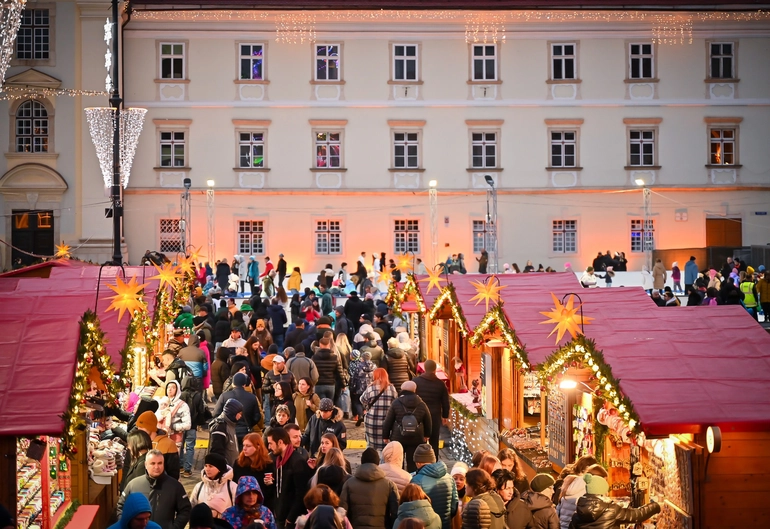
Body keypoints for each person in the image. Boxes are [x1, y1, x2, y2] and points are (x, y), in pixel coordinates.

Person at [117, 450, 192, 529]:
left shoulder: (175, 486)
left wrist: (175, 527)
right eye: (153, 463)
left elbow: (185, 510)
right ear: (145, 465)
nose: (156, 467)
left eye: (160, 463)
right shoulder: (133, 485)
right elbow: (121, 506)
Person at [570, 474, 660, 529]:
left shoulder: (577, 514)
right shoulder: (612, 510)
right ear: (602, 491)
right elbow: (637, 515)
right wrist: (656, 506)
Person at [339, 447, 399, 529]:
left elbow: (342, 512)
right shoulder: (389, 485)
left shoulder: (349, 484)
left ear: (362, 462)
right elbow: (395, 512)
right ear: (377, 463)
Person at [382, 380, 432, 473]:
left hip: (398, 437)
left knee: (397, 461)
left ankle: (399, 479)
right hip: (416, 437)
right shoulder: (421, 403)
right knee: (413, 462)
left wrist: (385, 436)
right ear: (415, 390)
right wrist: (427, 435)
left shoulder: (396, 402)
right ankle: (411, 480)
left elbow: (388, 420)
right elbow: (428, 420)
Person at [266, 427, 311, 529]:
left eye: (271, 443)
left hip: (291, 519)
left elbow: (301, 493)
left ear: (280, 442)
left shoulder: (297, 462)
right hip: (279, 515)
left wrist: (290, 518)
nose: (269, 447)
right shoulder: (276, 460)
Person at [410, 444, 458, 529]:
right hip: (445, 525)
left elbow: (414, 510)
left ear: (418, 462)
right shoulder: (450, 478)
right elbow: (454, 506)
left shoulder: (416, 481)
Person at [214, 373, 262, 448]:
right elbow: (257, 416)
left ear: (233, 383)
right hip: (245, 430)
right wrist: (249, 423)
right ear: (244, 384)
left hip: (228, 430)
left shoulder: (224, 396)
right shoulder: (252, 397)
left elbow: (216, 414)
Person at [414, 359, 449, 459]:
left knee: (420, 440)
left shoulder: (416, 382)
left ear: (424, 368)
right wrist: (445, 415)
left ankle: (420, 461)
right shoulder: (440, 384)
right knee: (434, 440)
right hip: (434, 415)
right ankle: (434, 461)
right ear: (435, 370)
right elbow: (445, 401)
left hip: (420, 416)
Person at [231, 432, 276, 511]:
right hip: (242, 505)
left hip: (262, 506)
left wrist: (269, 484)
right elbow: (234, 484)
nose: (244, 448)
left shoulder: (267, 465)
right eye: (244, 445)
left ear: (258, 447)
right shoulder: (239, 463)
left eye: (248, 446)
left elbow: (271, 490)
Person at [361, 368, 399, 451]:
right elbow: (396, 403)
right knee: (386, 446)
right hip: (387, 421)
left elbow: (362, 400)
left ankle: (371, 461)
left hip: (372, 421)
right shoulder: (392, 388)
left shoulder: (371, 388)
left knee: (371, 445)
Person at [135, 411, 181, 480]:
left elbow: (173, 473)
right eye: (138, 427)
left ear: (150, 427)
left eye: (142, 427)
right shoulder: (139, 442)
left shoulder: (168, 444)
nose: (139, 430)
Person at [190, 453, 238, 519]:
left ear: (219, 469)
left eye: (211, 466)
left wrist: (218, 514)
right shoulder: (199, 487)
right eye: (205, 466)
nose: (207, 469)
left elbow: (237, 512)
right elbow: (192, 509)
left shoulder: (232, 487)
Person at [210, 399, 244, 465]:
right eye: (239, 413)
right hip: (226, 470)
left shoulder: (230, 424)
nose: (240, 416)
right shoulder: (220, 427)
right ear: (233, 412)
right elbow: (217, 452)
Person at [349, 350, 375, 426]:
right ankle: (367, 415)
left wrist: (353, 388)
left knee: (357, 402)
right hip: (370, 387)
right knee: (369, 402)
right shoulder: (374, 366)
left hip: (360, 387)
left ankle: (360, 415)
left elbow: (355, 378)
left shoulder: (359, 366)